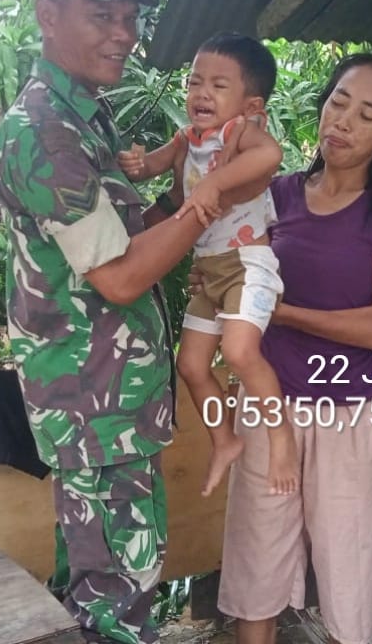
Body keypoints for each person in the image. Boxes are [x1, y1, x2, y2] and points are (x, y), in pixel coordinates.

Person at [0, 0, 249, 644]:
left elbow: (133, 240)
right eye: (103, 15)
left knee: (106, 593)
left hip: (112, 401)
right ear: (48, 14)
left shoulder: (83, 113)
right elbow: (123, 275)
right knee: (116, 606)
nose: (124, 34)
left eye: (131, 17)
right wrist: (212, 198)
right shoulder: (45, 131)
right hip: (94, 408)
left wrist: (194, 193)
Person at [211, 49, 372, 644]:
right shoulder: (276, 195)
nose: (343, 122)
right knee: (257, 571)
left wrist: (281, 312)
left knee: (347, 577)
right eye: (339, 102)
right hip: (270, 409)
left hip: (349, 414)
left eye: (367, 115)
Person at [119, 32, 298, 498]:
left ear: (251, 106)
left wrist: (214, 183)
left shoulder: (241, 133)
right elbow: (153, 167)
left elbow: (271, 155)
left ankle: (282, 438)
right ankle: (224, 439)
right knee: (192, 365)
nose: (202, 93)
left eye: (219, 86)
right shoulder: (186, 138)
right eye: (195, 82)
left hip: (246, 266)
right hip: (209, 272)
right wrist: (136, 163)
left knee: (239, 353)